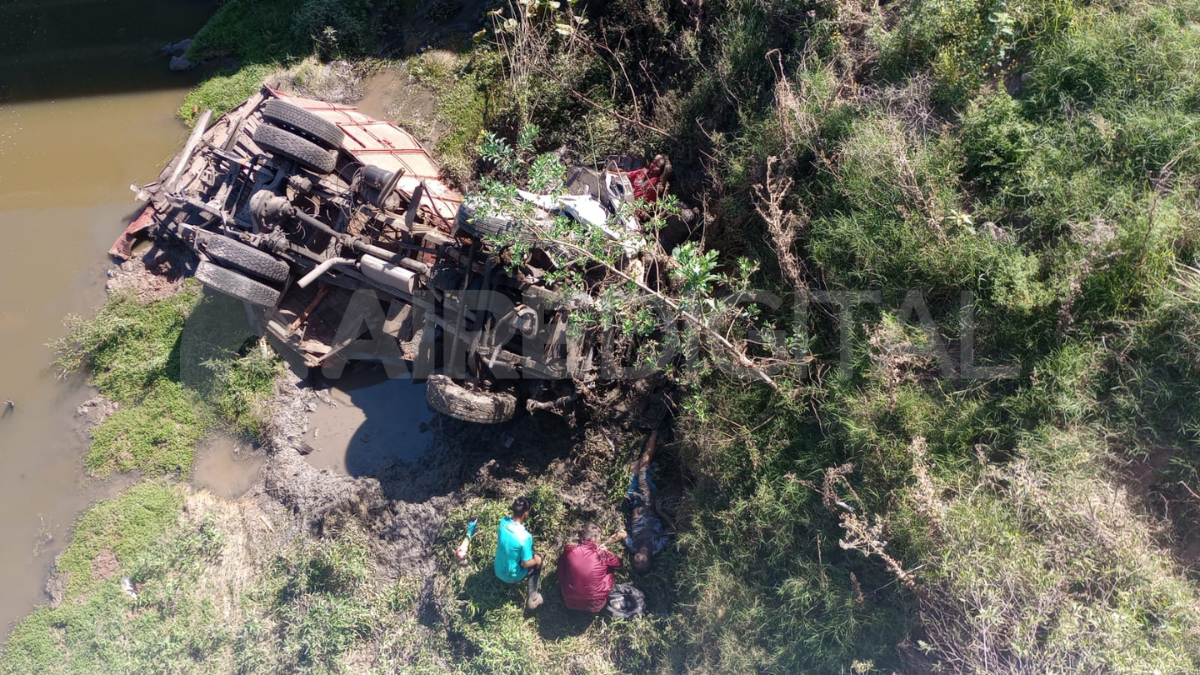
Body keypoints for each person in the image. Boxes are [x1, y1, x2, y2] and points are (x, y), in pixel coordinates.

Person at [625, 430, 675, 572]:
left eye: (635, 564)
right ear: (647, 560)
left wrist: (604, 544)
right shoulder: (656, 546)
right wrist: (660, 512)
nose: (637, 560)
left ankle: (656, 442)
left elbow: (621, 534)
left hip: (634, 500)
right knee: (643, 468)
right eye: (641, 563)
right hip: (648, 501)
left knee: (634, 466)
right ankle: (656, 430)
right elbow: (673, 530)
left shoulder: (633, 546)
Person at [557, 523, 624, 613]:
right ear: (598, 540)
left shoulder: (570, 549)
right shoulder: (602, 554)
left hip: (569, 601)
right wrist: (606, 552)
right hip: (596, 604)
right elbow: (619, 562)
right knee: (609, 567)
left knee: (563, 560)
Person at [494, 496, 545, 609]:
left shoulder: (503, 523)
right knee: (538, 559)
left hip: (497, 570)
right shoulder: (525, 537)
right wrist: (537, 560)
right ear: (526, 514)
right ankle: (533, 597)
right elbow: (525, 564)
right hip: (512, 576)